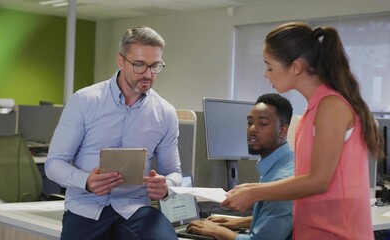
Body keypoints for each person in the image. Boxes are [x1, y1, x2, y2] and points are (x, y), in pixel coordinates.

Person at [222, 22, 383, 239]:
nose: (266, 74)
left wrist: (254, 193)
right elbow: (306, 179)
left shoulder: (331, 107)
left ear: (296, 67)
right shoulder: (314, 109)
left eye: (270, 67)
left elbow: (319, 180)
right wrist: (251, 189)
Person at [45, 26, 182, 240]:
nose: (148, 74)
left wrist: (166, 186)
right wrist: (86, 181)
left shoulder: (165, 113)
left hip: (134, 207)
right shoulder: (85, 101)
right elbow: (53, 164)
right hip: (86, 207)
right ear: (121, 61)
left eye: (155, 66)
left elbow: (174, 172)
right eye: (139, 65)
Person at [186, 93, 294, 240]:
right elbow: (279, 218)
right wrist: (241, 222)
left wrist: (216, 231)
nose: (252, 129)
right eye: (250, 122)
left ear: (283, 130)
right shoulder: (284, 164)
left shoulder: (281, 179)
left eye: (262, 124)